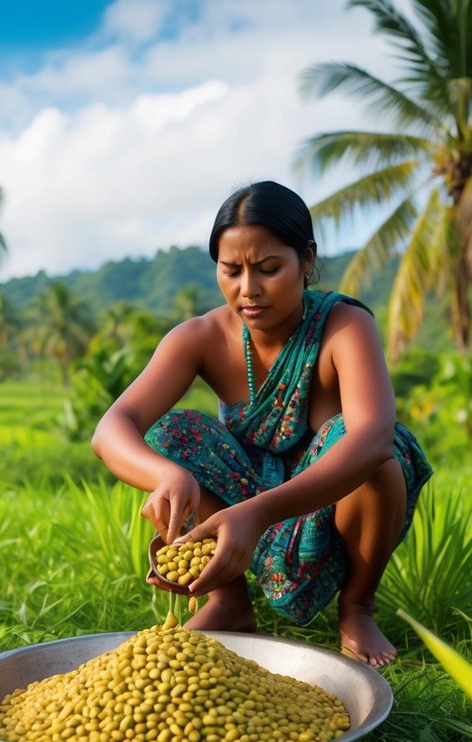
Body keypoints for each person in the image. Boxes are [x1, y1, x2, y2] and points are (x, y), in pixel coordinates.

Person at [90, 180, 432, 667]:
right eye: (231, 271)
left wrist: (259, 514)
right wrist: (168, 476)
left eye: (269, 269)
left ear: (305, 259)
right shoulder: (202, 336)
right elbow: (112, 428)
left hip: (329, 501)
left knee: (375, 453)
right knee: (170, 435)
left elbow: (374, 437)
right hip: (245, 494)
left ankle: (357, 607)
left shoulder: (344, 326)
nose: (248, 289)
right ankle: (227, 601)